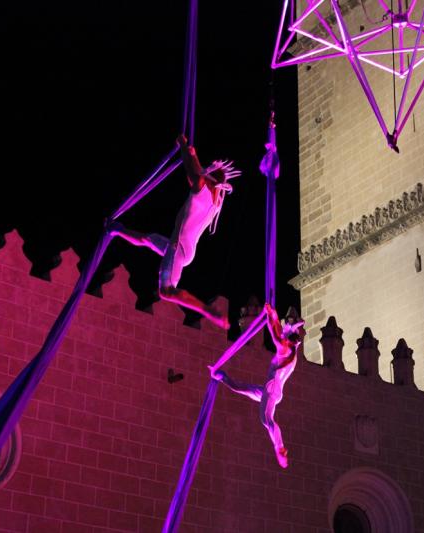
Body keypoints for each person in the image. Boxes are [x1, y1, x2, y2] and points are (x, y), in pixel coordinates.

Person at [110, 134, 239, 329]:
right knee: (148, 239)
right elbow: (198, 170)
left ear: (210, 178)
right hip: (184, 247)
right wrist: (192, 153)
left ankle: (207, 310)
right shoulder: (213, 201)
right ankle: (116, 230)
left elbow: (192, 171)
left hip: (177, 246)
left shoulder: (201, 190)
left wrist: (184, 146)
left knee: (166, 292)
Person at [212, 303, 302, 468]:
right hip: (273, 390)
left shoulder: (284, 348)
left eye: (285, 330)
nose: (282, 331)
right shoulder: (290, 352)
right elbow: (276, 331)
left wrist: (270, 314)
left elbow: (275, 333)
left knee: (266, 420)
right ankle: (220, 376)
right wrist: (272, 316)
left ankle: (280, 448)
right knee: (242, 388)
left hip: (272, 388)